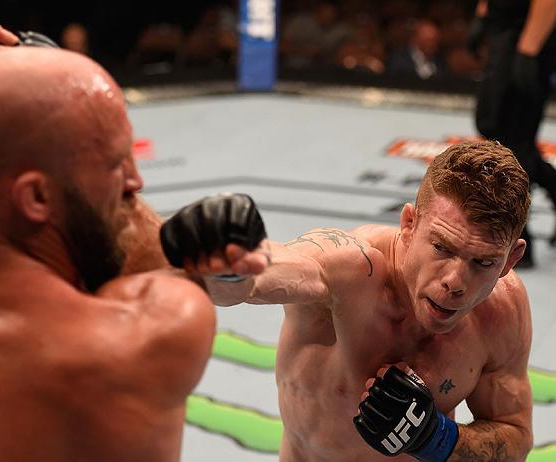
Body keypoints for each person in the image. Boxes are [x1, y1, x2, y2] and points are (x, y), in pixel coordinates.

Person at [0, 45, 234, 461]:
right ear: (36, 196)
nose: (135, 182)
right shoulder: (151, 329)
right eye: (115, 165)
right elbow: (161, 254)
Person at [164, 141, 533, 461]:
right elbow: (260, 280)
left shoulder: (502, 311)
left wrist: (435, 439)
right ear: (409, 224)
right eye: (441, 247)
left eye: (482, 262)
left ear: (510, 260)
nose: (455, 282)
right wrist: (229, 265)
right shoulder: (351, 269)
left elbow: (515, 439)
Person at [471, 0, 556, 266]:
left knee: (515, 140)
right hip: (503, 32)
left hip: (526, 36)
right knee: (493, 125)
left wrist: (529, 50)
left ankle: (518, 236)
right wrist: (483, 14)